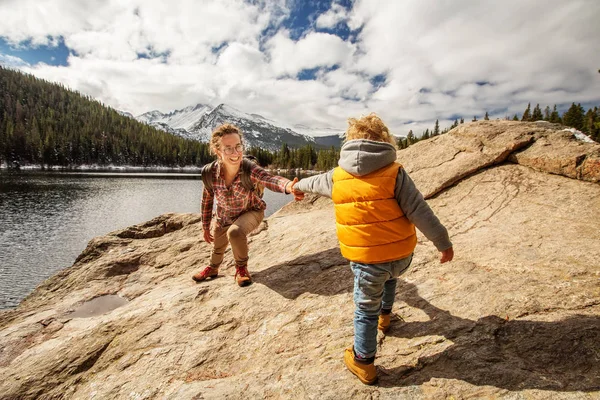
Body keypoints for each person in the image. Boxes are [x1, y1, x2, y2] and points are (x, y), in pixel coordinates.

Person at [292, 113, 454, 385]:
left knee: (364, 308)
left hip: (367, 261)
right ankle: (386, 317)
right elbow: (419, 211)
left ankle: (363, 361)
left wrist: (296, 185)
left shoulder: (337, 176)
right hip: (401, 256)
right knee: (390, 277)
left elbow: (313, 182)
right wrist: (443, 242)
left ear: (350, 142)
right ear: (385, 141)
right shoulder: (395, 172)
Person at [192, 123, 301, 287]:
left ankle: (241, 269)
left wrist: (288, 186)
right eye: (228, 148)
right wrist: (205, 226)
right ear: (217, 151)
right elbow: (207, 200)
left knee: (235, 233)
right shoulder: (209, 173)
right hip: (224, 217)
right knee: (218, 245)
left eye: (238, 146)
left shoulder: (248, 168)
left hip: (251, 211)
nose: (235, 153)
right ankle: (213, 268)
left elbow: (269, 179)